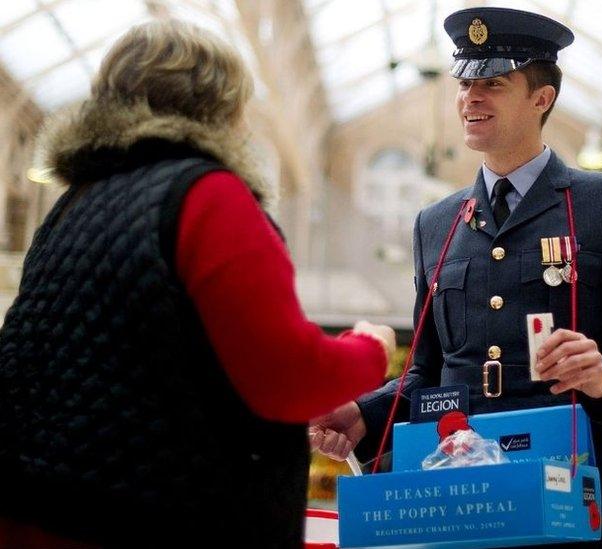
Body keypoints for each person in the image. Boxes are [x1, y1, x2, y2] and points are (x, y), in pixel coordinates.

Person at [0, 20, 392, 548]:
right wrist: (370, 346)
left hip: (38, 506)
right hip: (161, 516)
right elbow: (286, 376)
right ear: (224, 106)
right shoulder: (205, 196)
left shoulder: (74, 204)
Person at [310, 6, 602, 548]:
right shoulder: (436, 223)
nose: (470, 97)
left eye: (493, 82)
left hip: (569, 488)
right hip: (459, 489)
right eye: (465, 82)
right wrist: (364, 416)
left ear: (542, 98)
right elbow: (427, 372)